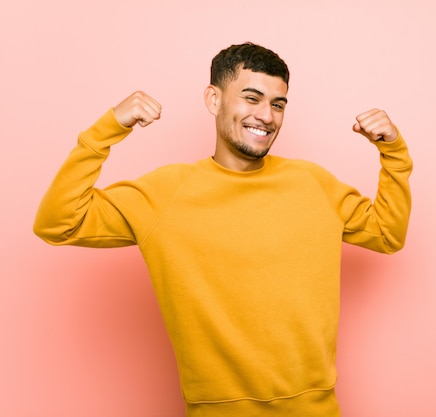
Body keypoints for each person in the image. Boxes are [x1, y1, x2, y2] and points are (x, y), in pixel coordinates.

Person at [33, 42, 412, 417]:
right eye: (251, 98)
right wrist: (107, 129)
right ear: (214, 100)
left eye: (277, 104)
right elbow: (58, 221)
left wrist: (393, 152)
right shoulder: (164, 194)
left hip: (316, 409)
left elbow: (387, 233)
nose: (266, 115)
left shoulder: (313, 183)